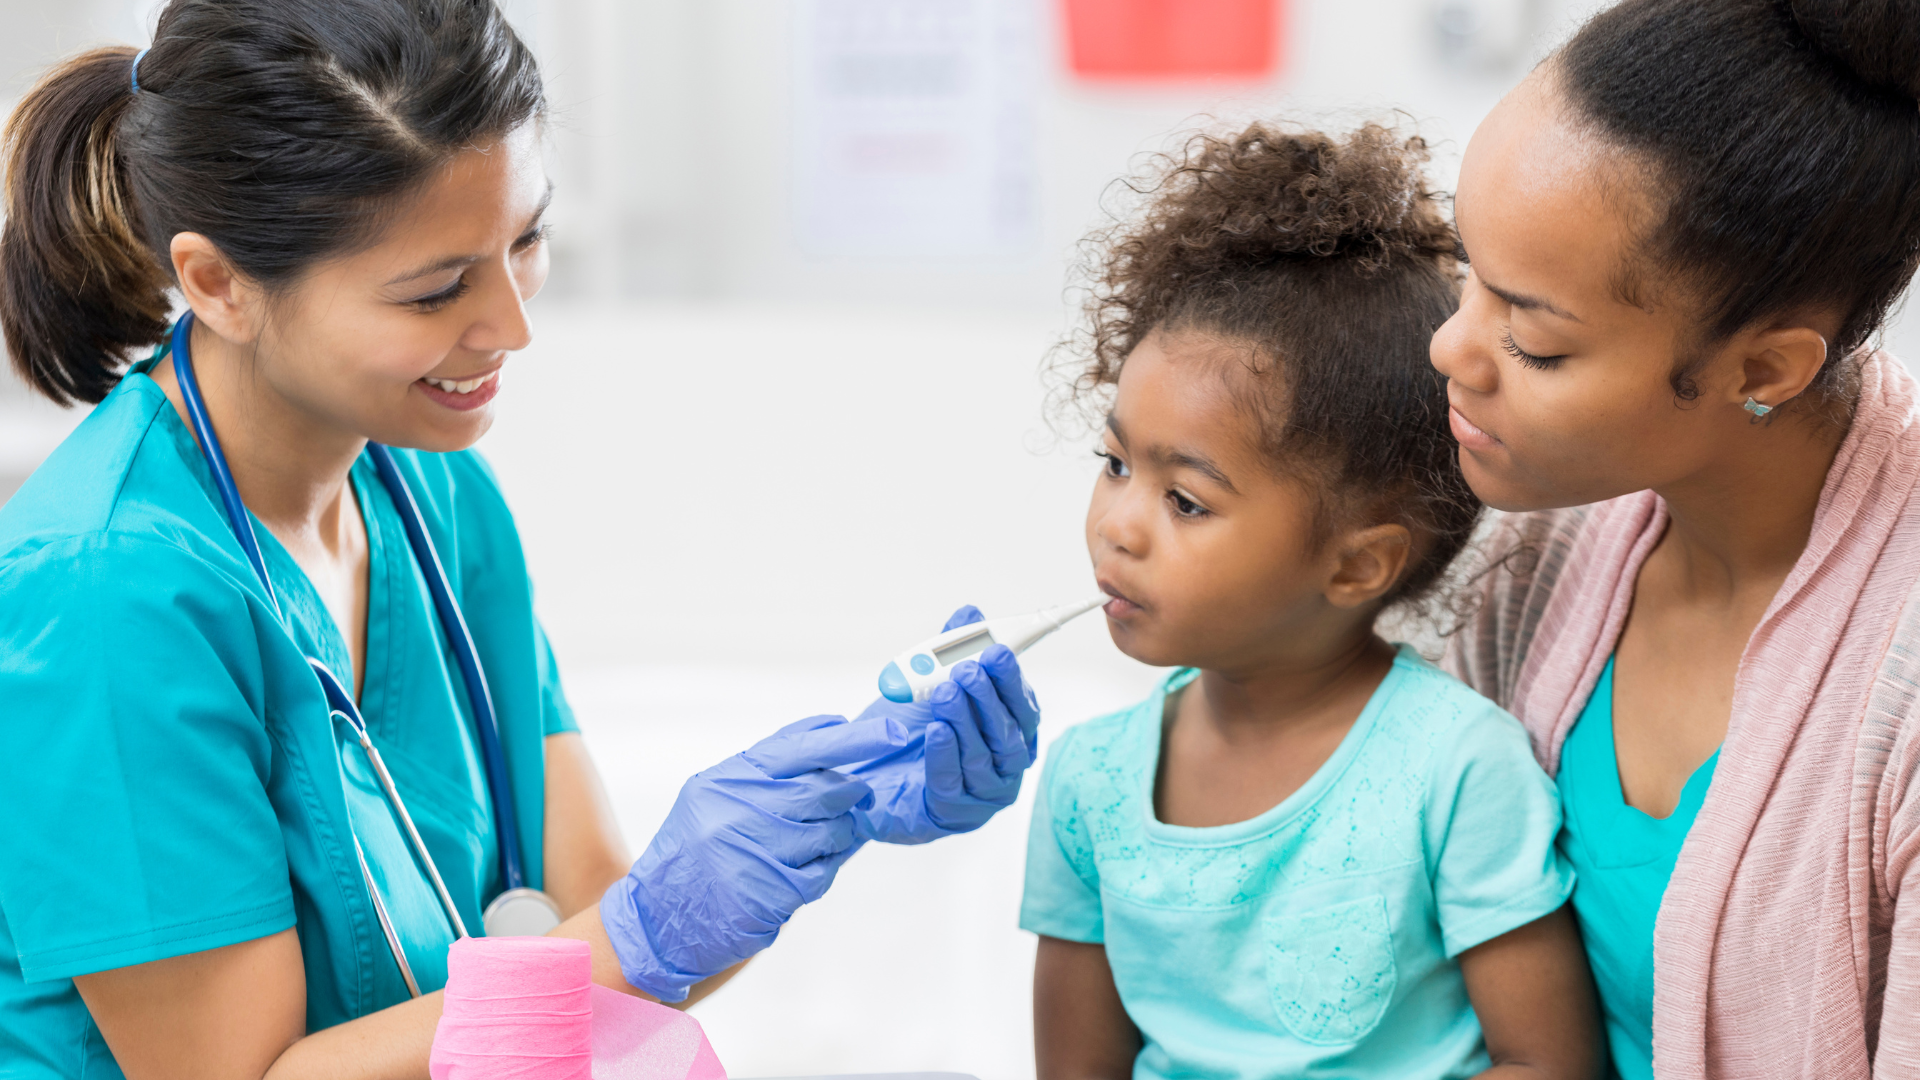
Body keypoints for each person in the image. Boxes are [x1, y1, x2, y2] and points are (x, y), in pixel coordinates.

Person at [0, 2, 1042, 1077]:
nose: (513, 324)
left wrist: (816, 826)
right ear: (218, 284)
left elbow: (600, 936)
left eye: (528, 238)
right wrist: (648, 929)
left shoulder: (436, 491)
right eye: (437, 288)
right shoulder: (101, 594)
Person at [1020, 122, 1602, 1080]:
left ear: (1356, 568)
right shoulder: (1089, 784)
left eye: (1184, 500)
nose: (1117, 526)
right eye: (1115, 463)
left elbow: (1549, 1065)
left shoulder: (1457, 771)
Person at [1431, 0, 1920, 1076]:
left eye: (1533, 340)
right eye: (1462, 265)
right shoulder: (1534, 553)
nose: (1450, 348)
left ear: (1763, 371)